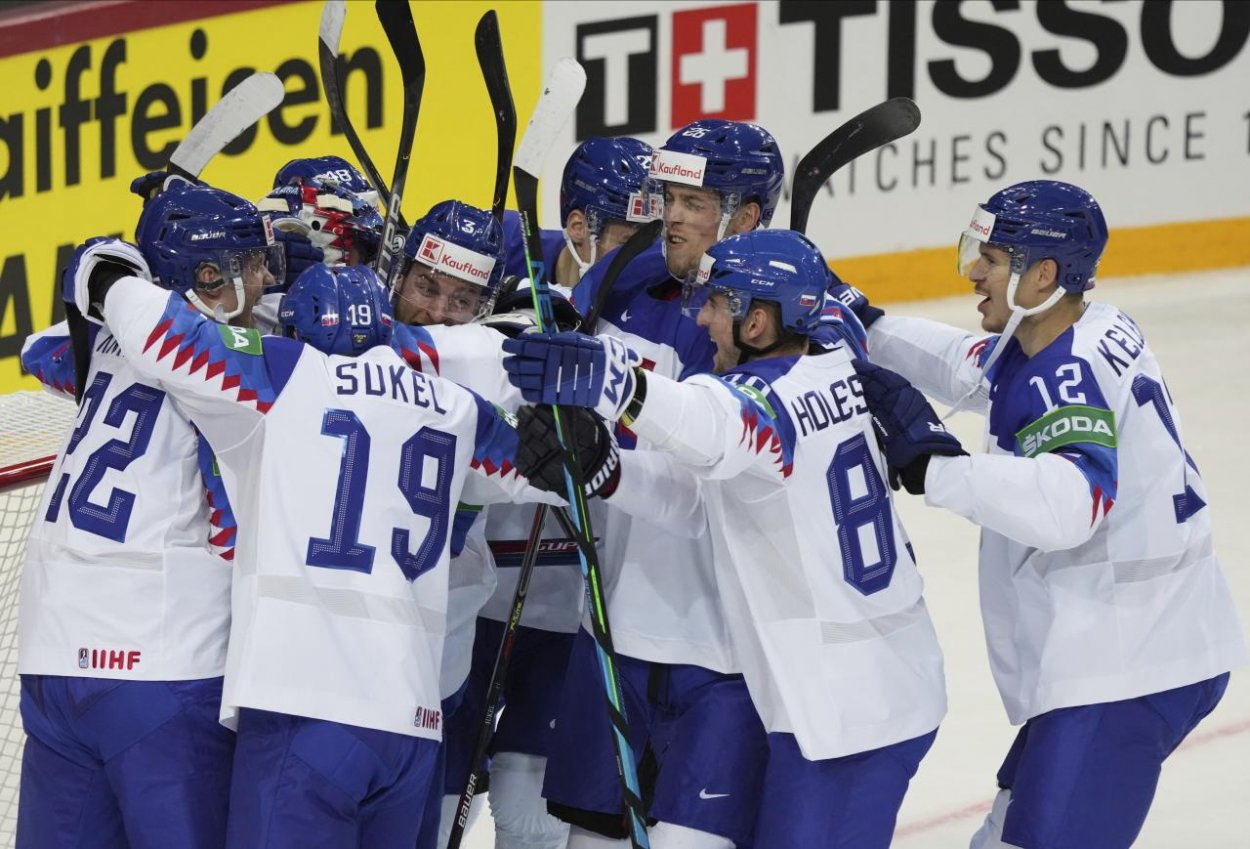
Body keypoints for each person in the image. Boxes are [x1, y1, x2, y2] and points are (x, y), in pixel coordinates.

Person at [66, 244, 554, 848]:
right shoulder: (460, 408)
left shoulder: (284, 374)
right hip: (413, 724)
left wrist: (109, 277)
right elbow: (573, 473)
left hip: (303, 712)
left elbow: (165, 334)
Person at [501, 228, 955, 847]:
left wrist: (607, 380)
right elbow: (701, 497)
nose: (704, 317)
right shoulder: (828, 369)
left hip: (851, 706)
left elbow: (711, 425)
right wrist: (608, 472)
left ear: (759, 322)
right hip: (863, 682)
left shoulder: (761, 398)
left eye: (717, 304)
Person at [835, 179, 1248, 849]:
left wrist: (936, 468)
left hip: (1127, 661)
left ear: (1044, 273)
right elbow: (973, 367)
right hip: (1154, 633)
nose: (974, 271)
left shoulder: (1066, 372)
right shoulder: (1085, 326)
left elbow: (1072, 503)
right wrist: (870, 325)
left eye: (991, 258)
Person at [522, 119, 783, 849]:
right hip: (613, 623)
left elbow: (706, 477)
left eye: (695, 201)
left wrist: (603, 465)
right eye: (669, 193)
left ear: (746, 217)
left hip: (723, 647)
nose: (671, 212)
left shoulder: (778, 326)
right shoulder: (622, 279)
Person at [15, 180, 284, 849]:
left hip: (53, 660)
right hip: (160, 668)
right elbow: (234, 530)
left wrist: (119, 273)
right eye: (251, 264)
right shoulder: (220, 362)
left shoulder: (106, 342)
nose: (266, 277)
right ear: (208, 275)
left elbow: (39, 349)